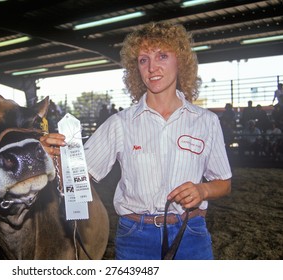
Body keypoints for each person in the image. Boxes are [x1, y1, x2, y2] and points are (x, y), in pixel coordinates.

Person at [40, 22, 232, 260]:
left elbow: (223, 182)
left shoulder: (206, 121)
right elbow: (79, 174)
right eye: (143, 60)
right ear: (136, 69)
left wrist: (203, 189)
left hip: (190, 232)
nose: (152, 67)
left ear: (180, 60)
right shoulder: (120, 123)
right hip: (135, 237)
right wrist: (52, 156)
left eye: (162, 55)